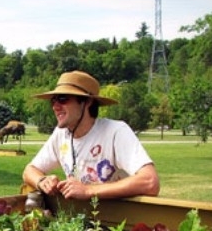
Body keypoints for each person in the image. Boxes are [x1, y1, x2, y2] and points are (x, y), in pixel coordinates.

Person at [23, 70, 160, 201]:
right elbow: (30, 170)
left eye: (63, 99)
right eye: (53, 100)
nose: (55, 106)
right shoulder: (61, 135)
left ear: (87, 102)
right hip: (81, 220)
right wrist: (42, 181)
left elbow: (150, 181)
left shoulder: (115, 131)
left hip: (118, 221)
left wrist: (88, 191)